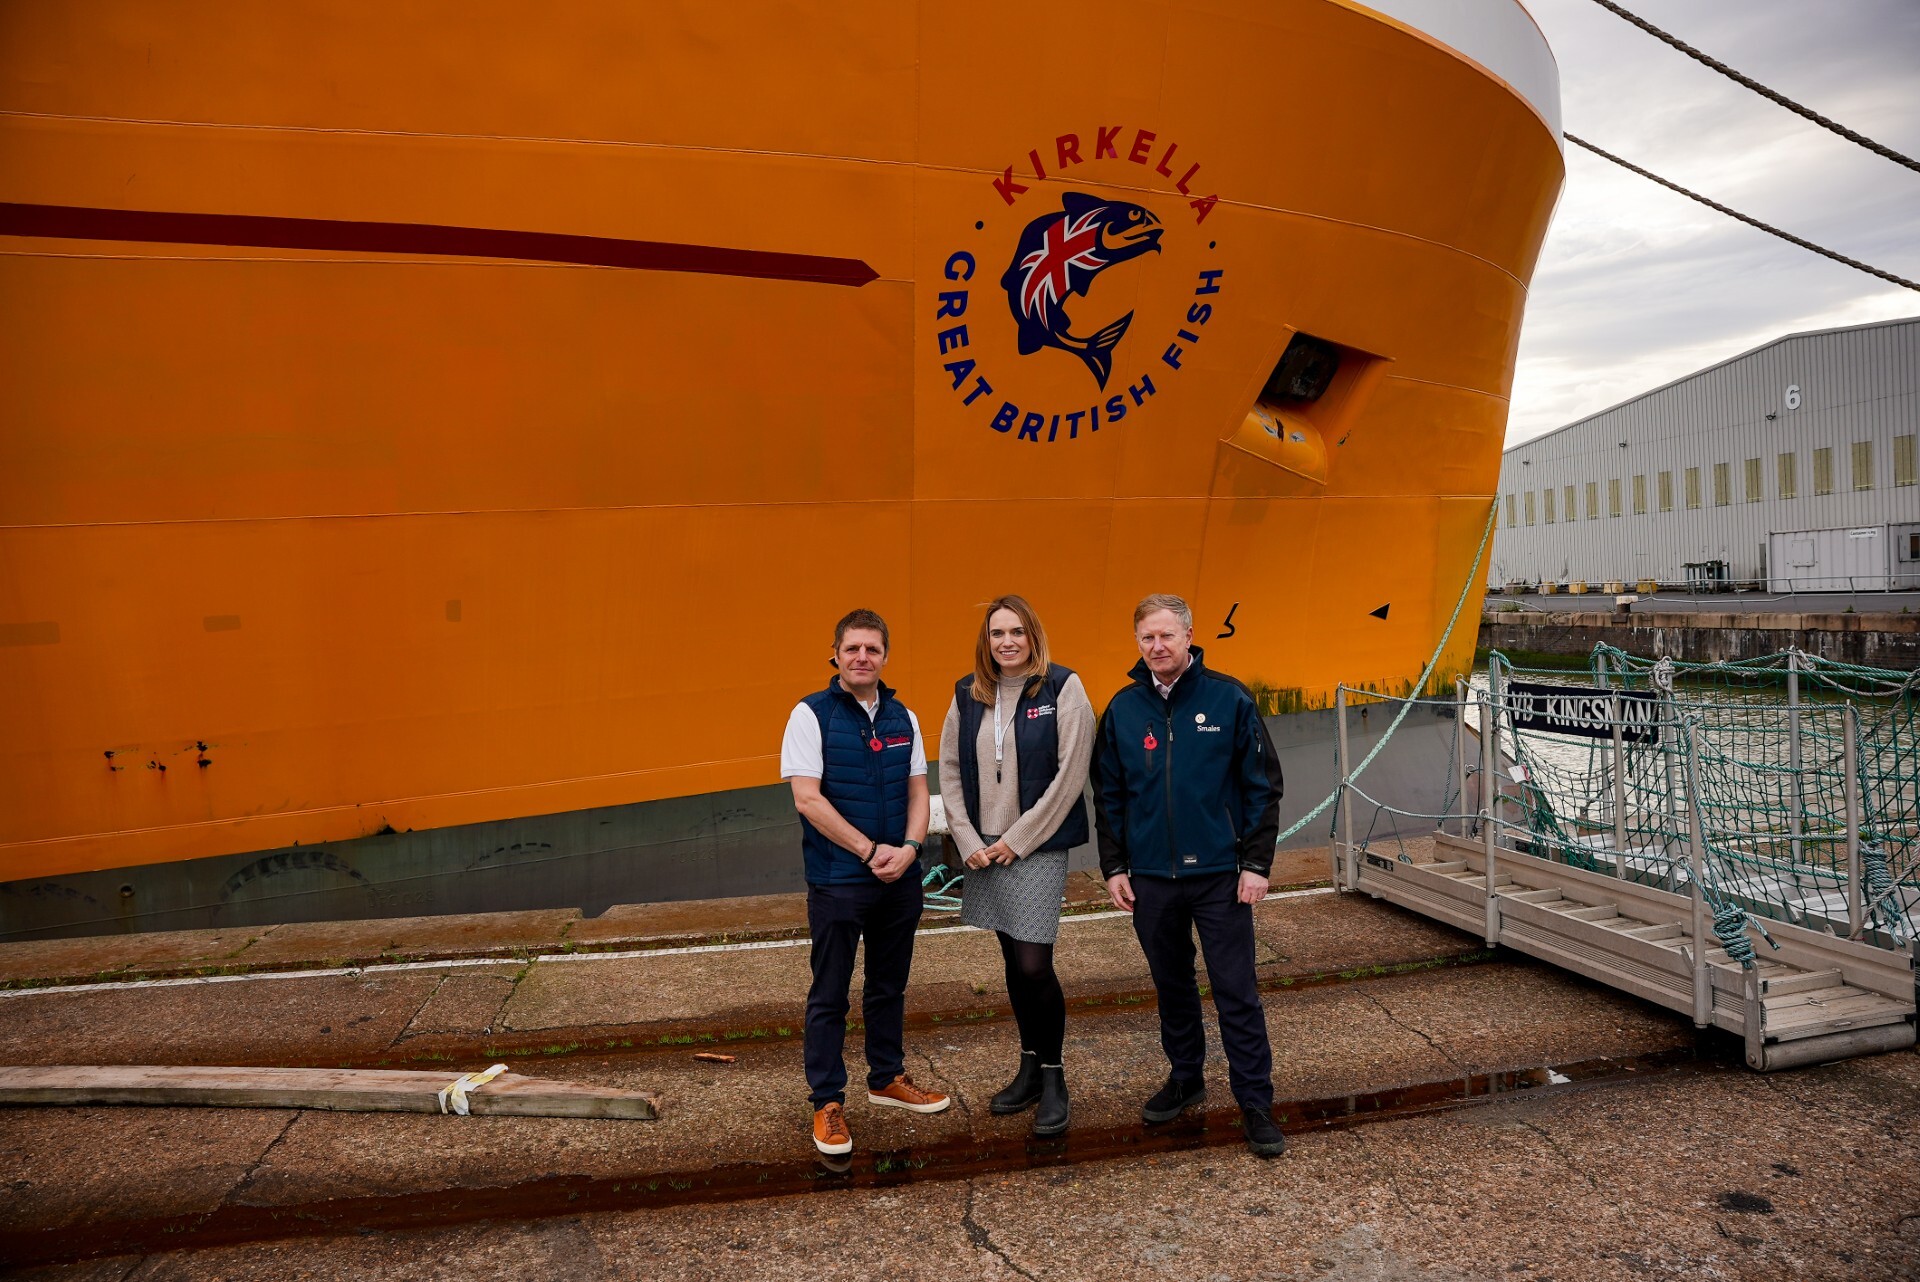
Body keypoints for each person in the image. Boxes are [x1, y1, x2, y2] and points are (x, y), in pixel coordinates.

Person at [1090, 593, 1288, 1158]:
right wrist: (1114, 867)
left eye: (1166, 636)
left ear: (1188, 636)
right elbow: (1109, 795)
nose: (1157, 647)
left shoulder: (1229, 699)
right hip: (1151, 877)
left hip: (1222, 876)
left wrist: (1255, 864)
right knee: (1172, 984)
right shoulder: (1124, 710)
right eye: (1147, 638)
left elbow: (1261, 787)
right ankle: (1186, 1076)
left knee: (1236, 991)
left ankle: (1255, 1102)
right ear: (1138, 644)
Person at [780, 608, 950, 1156]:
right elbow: (807, 798)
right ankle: (827, 1102)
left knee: (888, 986)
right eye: (852, 648)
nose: (862, 657)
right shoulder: (810, 714)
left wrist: (910, 850)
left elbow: (920, 792)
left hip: (899, 879)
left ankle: (887, 1078)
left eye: (872, 649)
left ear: (884, 656)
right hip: (838, 880)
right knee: (829, 994)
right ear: (835, 654)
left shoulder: (904, 717)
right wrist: (868, 849)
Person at [938, 595, 1095, 1137]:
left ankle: (1055, 1078)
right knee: (1010, 956)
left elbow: (1071, 774)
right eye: (997, 633)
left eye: (1016, 632)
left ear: (1033, 636)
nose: (1007, 642)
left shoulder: (1062, 688)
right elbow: (951, 772)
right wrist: (965, 839)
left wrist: (1018, 838)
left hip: (1037, 847)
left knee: (1033, 964)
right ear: (986, 641)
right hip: (983, 848)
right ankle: (1029, 1066)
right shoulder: (967, 694)